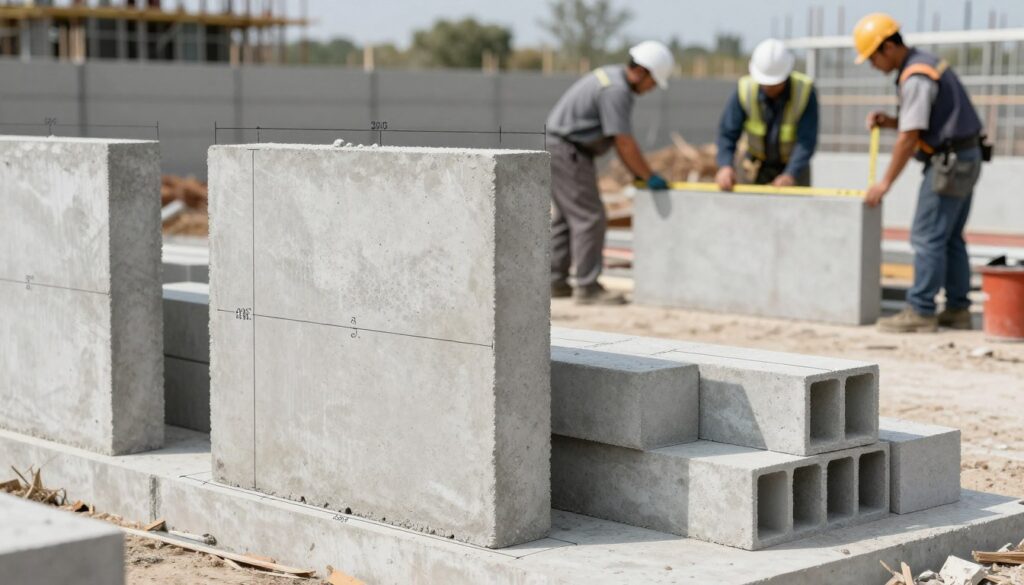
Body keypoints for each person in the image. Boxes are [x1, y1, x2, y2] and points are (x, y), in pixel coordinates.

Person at [854, 13, 986, 333]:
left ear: (887, 47)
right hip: (966, 157)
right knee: (950, 237)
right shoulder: (924, 64)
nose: (873, 66)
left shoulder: (915, 76)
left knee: (926, 235)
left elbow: (910, 137)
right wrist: (889, 120)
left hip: (949, 163)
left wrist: (884, 183)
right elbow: (926, 122)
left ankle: (922, 310)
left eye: (872, 58)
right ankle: (957, 309)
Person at [546, 41, 674, 305]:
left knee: (565, 219)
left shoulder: (610, 75)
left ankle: (554, 282)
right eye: (652, 82)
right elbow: (623, 141)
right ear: (641, 72)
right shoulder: (617, 90)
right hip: (569, 150)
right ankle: (587, 288)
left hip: (559, 145)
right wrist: (647, 175)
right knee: (589, 217)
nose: (651, 89)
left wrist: (638, 172)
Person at [715, 38, 819, 190]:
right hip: (755, 166)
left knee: (796, 212)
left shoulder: (804, 92)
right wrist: (725, 166)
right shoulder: (745, 90)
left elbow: (806, 141)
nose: (769, 88)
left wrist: (790, 174)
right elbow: (727, 133)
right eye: (765, 83)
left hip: (794, 167)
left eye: (774, 84)